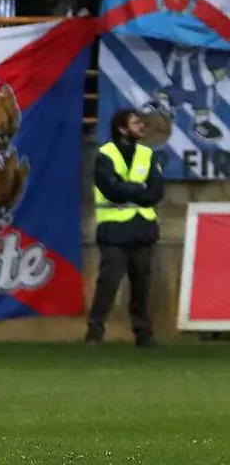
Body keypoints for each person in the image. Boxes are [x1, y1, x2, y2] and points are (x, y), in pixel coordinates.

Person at [85, 109, 163, 348]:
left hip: (142, 228)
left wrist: (129, 190)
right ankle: (95, 330)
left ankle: (143, 333)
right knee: (108, 281)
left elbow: (156, 192)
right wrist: (138, 189)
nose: (141, 126)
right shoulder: (105, 155)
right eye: (136, 122)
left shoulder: (148, 155)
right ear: (122, 128)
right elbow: (111, 189)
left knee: (141, 284)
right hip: (114, 230)